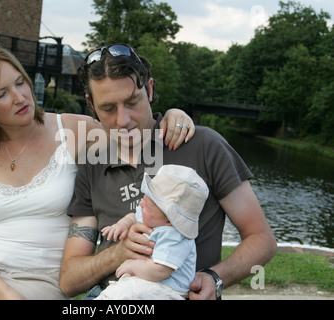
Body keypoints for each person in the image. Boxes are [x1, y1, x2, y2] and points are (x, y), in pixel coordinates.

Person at [0, 46, 195, 300]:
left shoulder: (74, 132)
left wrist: (173, 114)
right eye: (2, 94)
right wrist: (5, 294)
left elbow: (133, 125)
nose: (20, 97)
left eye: (20, 82)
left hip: (42, 282)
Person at [59, 44, 277, 300]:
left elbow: (262, 239)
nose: (123, 120)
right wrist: (118, 254)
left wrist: (214, 277)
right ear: (91, 104)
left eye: (132, 102)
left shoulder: (203, 145)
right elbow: (69, 281)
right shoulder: (93, 167)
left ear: (149, 89)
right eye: (108, 108)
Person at [95, 165, 209, 300]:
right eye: (144, 199)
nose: (141, 204)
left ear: (170, 220)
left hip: (167, 289)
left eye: (147, 205)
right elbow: (133, 215)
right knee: (121, 292)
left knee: (119, 295)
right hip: (149, 280)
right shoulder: (151, 216)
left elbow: (160, 270)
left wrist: (133, 265)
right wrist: (122, 225)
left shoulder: (174, 237)